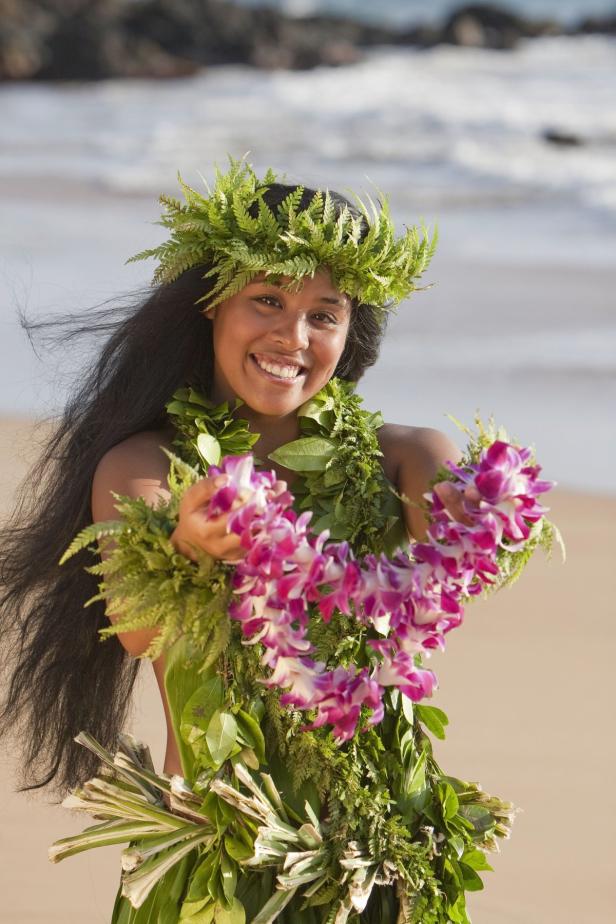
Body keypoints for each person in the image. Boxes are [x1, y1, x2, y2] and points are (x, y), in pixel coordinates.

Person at [1, 160, 516, 923]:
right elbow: (139, 628)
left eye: (324, 314)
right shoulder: (146, 465)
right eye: (267, 299)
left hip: (371, 859)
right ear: (211, 304)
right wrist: (186, 539)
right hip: (209, 858)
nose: (293, 336)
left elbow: (464, 527)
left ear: (352, 327)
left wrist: (481, 506)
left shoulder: (400, 456)